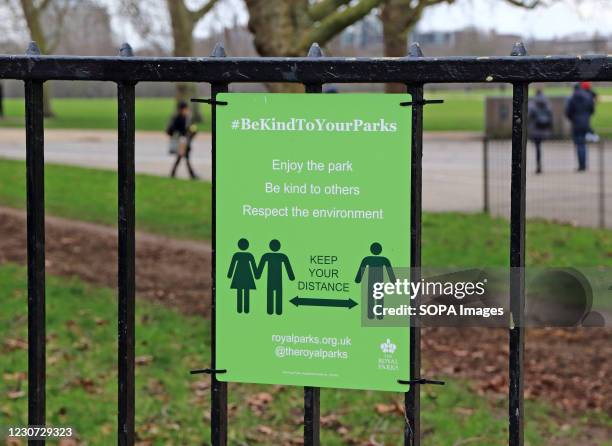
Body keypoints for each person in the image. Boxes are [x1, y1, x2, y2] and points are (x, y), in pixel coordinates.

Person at [355, 242, 396, 320]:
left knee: (370, 297)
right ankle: (380, 315)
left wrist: (358, 280)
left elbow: (361, 270)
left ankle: (370, 315)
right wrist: (393, 281)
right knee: (379, 296)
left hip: (371, 280)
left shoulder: (367, 259)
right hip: (380, 280)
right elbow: (389, 271)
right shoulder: (384, 259)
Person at [257, 240, 295, 315]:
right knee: (278, 294)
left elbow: (261, 267)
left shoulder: (266, 256)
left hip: (271, 280)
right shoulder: (282, 256)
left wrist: (258, 275)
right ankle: (278, 311)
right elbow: (288, 267)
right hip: (278, 280)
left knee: (270, 293)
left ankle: (270, 310)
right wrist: (291, 277)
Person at [565, 83, 595, 172]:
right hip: (585, 122)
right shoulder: (588, 96)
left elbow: (568, 112)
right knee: (583, 144)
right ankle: (584, 165)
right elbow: (592, 109)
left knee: (578, 144)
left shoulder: (572, 97)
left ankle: (581, 166)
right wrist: (586, 117)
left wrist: (573, 118)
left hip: (576, 123)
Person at [166, 101, 199, 179]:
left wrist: (193, 132)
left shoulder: (187, 118)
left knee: (181, 158)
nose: (187, 111)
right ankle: (192, 175)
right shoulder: (177, 118)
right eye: (186, 109)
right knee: (184, 158)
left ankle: (173, 174)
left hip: (185, 142)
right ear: (181, 109)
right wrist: (178, 135)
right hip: (181, 142)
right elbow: (170, 130)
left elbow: (191, 129)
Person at [227, 238, 259, 314]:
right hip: (247, 276)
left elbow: (232, 265)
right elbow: (253, 266)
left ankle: (240, 309)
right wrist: (256, 274)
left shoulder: (237, 255)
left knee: (239, 292)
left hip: (239, 276)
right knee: (246, 292)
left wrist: (230, 275)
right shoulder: (249, 255)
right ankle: (246, 309)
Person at [527, 89, 553, 174]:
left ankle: (538, 165)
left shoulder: (532, 104)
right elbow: (550, 116)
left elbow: (529, 116)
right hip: (544, 130)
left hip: (535, 129)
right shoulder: (547, 104)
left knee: (537, 147)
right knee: (539, 148)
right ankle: (539, 165)